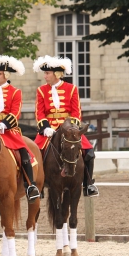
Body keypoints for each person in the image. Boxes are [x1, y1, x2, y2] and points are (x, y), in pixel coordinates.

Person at [33, 55, 99, 197]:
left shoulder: (72, 89)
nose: (45, 76)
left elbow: (76, 112)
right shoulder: (41, 91)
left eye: (47, 73)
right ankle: (37, 185)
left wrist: (71, 128)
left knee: (89, 152)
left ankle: (88, 184)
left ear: (57, 74)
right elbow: (39, 112)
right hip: (49, 129)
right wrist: (45, 128)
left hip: (69, 128)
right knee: (34, 152)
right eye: (45, 73)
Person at [0, 53, 41, 203]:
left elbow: (15, 113)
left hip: (9, 131)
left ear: (6, 75)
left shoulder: (15, 92)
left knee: (24, 152)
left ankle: (30, 185)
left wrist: (3, 124)